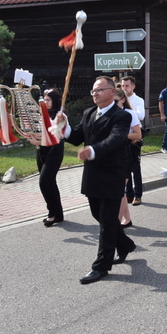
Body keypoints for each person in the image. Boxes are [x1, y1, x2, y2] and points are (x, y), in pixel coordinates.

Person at [56, 76, 135, 284]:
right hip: (93, 173)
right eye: (93, 91)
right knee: (97, 214)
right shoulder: (89, 113)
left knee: (107, 222)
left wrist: (93, 150)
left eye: (99, 90)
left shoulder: (122, 116)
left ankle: (101, 267)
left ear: (111, 92)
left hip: (112, 173)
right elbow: (76, 137)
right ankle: (125, 244)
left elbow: (116, 139)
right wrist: (64, 127)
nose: (95, 94)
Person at [33, 88, 65, 227]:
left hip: (54, 150)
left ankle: (52, 213)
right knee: (50, 183)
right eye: (44, 100)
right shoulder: (41, 114)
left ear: (55, 101)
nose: (46, 102)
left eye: (48, 100)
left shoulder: (60, 116)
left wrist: (39, 141)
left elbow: (56, 136)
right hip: (41, 150)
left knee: (44, 182)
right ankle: (58, 213)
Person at [115, 89, 142, 228]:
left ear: (123, 100)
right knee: (120, 188)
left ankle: (118, 220)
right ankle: (127, 218)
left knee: (119, 187)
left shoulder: (130, 114)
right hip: (113, 152)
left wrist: (121, 135)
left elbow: (138, 135)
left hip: (127, 151)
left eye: (115, 101)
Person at [121, 76, 145, 206]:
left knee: (135, 167)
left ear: (133, 86)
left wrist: (127, 112)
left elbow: (141, 115)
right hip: (123, 138)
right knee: (125, 166)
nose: (125, 88)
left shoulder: (137, 100)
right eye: (122, 86)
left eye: (127, 86)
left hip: (134, 137)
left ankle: (138, 195)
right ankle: (129, 193)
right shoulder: (119, 100)